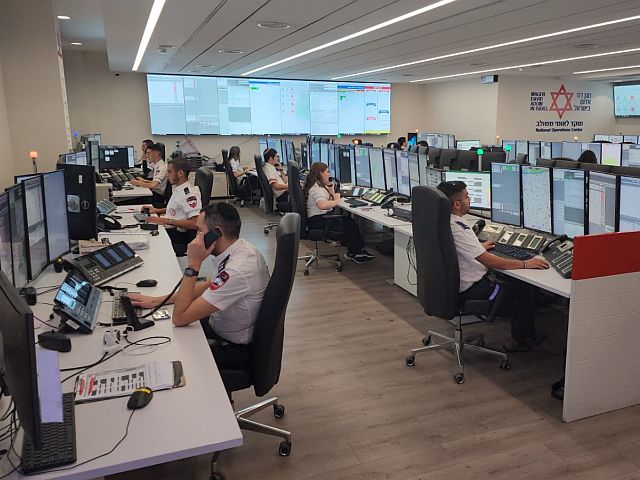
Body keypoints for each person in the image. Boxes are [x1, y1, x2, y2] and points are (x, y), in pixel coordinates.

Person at [128, 202, 270, 370]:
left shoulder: (237, 270)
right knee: (158, 330)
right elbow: (208, 285)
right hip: (220, 327)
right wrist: (158, 300)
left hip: (233, 349)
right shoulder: (240, 249)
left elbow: (179, 318)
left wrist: (193, 265)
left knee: (159, 352)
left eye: (199, 231)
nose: (195, 237)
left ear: (216, 233)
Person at [437, 181, 549, 352]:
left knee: (514, 283)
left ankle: (526, 336)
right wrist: (525, 263)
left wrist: (478, 247)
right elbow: (491, 262)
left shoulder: (442, 222)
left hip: (448, 289)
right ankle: (523, 341)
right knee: (522, 288)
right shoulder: (459, 228)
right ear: (457, 204)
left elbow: (455, 250)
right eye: (467, 196)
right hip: (473, 291)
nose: (470, 199)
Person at [305, 162, 374, 264]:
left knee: (347, 221)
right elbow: (322, 205)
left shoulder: (316, 186)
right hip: (319, 221)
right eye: (327, 172)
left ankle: (356, 250)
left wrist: (332, 192)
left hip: (317, 219)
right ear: (320, 173)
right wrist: (337, 200)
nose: (329, 174)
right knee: (350, 224)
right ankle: (356, 253)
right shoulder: (317, 189)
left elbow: (327, 201)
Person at [140, 157, 201, 254]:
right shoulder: (178, 188)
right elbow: (176, 209)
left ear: (180, 173)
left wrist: (167, 221)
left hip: (176, 234)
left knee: (144, 242)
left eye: (169, 172)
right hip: (169, 225)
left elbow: (195, 224)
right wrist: (157, 210)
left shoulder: (189, 195)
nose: (167, 175)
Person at [130, 142, 168, 207]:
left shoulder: (161, 167)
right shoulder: (157, 165)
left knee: (130, 200)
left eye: (149, 153)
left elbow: (153, 185)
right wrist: (144, 181)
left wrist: (138, 183)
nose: (147, 156)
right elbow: (157, 183)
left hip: (157, 197)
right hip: (154, 194)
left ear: (156, 154)